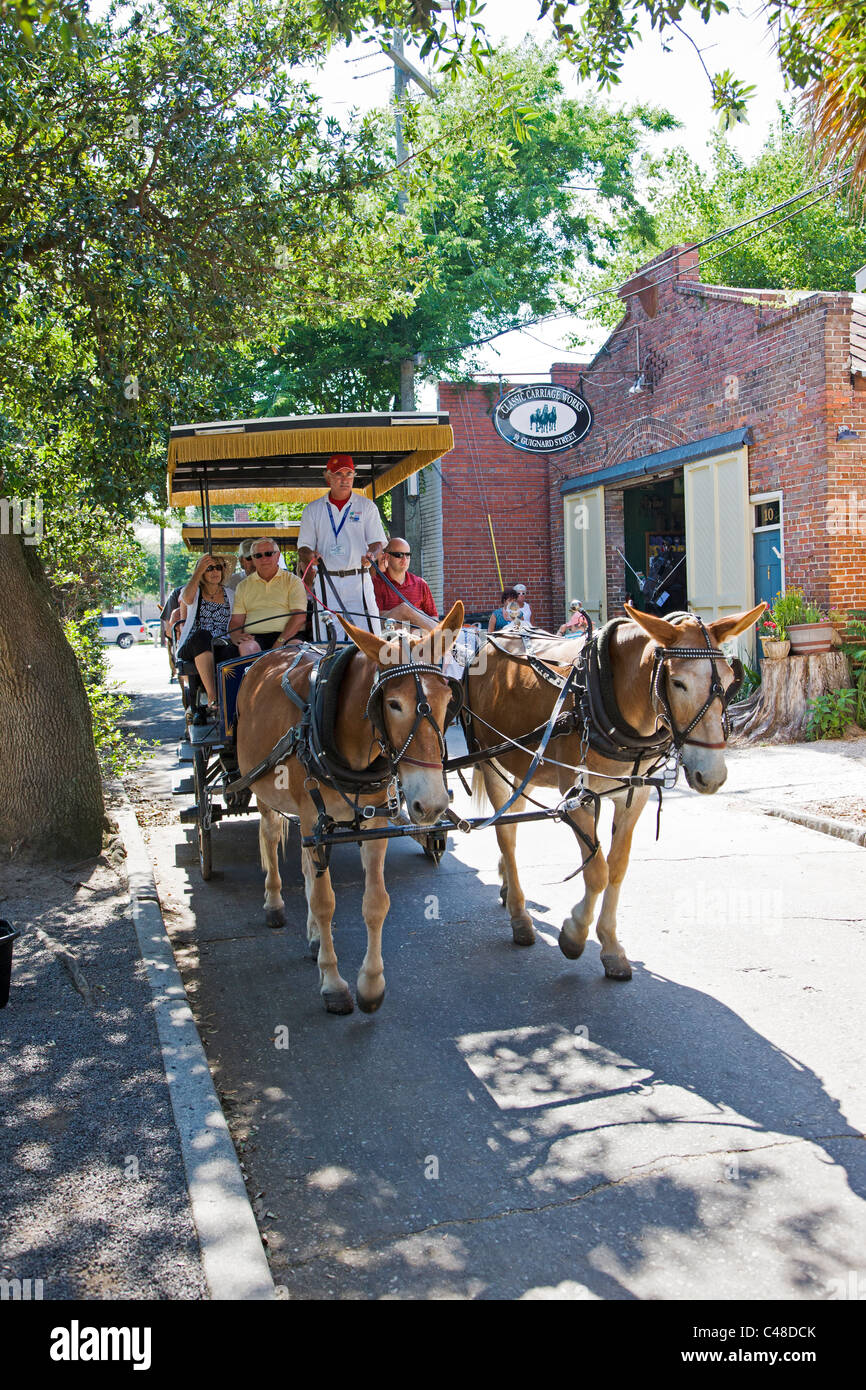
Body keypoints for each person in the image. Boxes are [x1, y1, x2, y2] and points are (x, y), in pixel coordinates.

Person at [297, 454, 387, 639]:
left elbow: (378, 542)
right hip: (326, 582)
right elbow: (303, 547)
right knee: (326, 642)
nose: (344, 479)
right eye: (338, 474)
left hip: (358, 580)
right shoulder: (313, 509)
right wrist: (310, 556)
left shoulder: (367, 506)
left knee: (370, 640)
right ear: (327, 476)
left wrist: (372, 554)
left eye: (349, 474)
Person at [175, 554, 235, 713]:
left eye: (218, 568)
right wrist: (198, 571)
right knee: (203, 636)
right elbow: (186, 599)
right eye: (209, 568)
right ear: (201, 572)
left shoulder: (231, 594)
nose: (214, 572)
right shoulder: (194, 592)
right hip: (195, 644)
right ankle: (212, 695)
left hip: (221, 644)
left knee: (233, 649)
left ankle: (232, 699)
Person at [228, 538, 307, 656]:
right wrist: (235, 636)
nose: (264, 559)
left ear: (278, 555)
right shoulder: (243, 586)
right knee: (247, 647)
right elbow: (236, 621)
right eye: (258, 555)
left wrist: (280, 642)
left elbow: (299, 617)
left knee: (294, 648)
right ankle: (253, 675)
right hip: (255, 638)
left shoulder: (293, 581)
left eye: (269, 554)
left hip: (288, 636)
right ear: (253, 559)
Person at [371, 538, 437, 631]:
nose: (404, 559)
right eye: (399, 555)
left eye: (408, 555)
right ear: (387, 557)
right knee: (404, 609)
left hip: (420, 639)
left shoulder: (421, 584)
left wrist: (411, 615)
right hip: (389, 637)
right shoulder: (375, 583)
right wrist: (415, 614)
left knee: (406, 609)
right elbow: (377, 618)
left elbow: (434, 618)